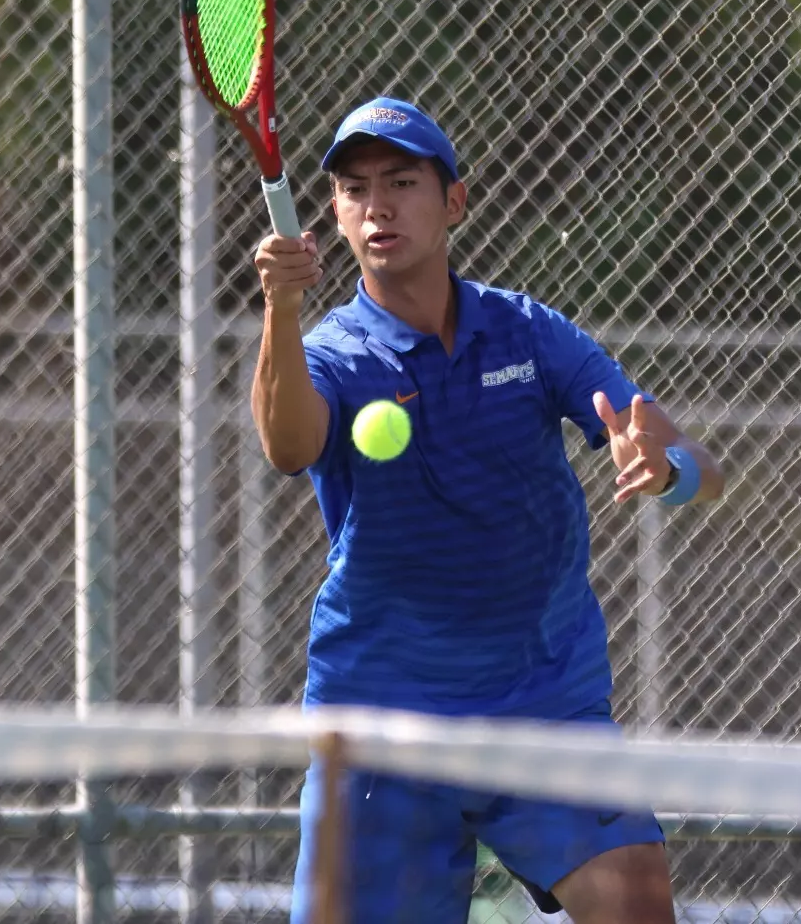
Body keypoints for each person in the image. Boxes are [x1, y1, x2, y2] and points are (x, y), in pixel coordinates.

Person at [251, 96, 726, 924]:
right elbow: (289, 446)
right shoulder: (329, 351)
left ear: (455, 202)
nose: (379, 206)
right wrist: (280, 312)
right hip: (381, 717)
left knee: (640, 904)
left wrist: (665, 469)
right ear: (334, 212)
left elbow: (695, 463)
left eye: (402, 181)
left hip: (543, 702)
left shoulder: (530, 333)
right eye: (356, 189)